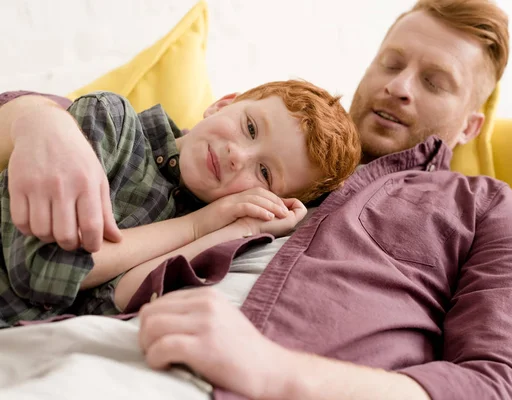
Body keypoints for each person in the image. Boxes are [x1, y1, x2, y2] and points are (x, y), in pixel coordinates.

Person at [0, 0, 512, 399]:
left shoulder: (484, 208)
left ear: (471, 126)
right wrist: (37, 119)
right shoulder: (260, 147)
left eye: (436, 82)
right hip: (68, 337)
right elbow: (108, 139)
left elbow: (509, 384)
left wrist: (279, 374)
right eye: (391, 62)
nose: (400, 86)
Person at [0, 80, 361, 325]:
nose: (238, 156)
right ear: (223, 104)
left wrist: (243, 226)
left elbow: (107, 306)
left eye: (265, 172)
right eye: (250, 128)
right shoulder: (113, 120)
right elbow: (44, 270)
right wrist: (200, 224)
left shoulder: (206, 233)